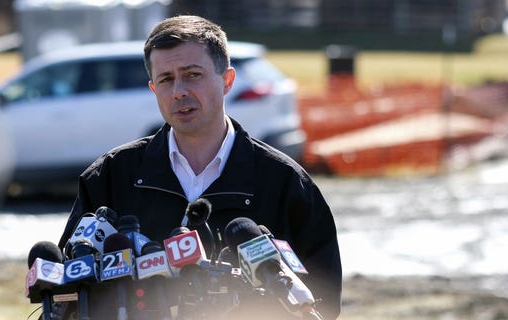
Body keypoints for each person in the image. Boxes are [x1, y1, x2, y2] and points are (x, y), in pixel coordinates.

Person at [57, 15, 342, 319]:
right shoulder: (110, 177)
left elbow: (323, 299)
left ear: (227, 80)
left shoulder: (286, 182)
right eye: (166, 79)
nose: (178, 91)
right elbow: (70, 293)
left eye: (192, 74)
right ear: (154, 89)